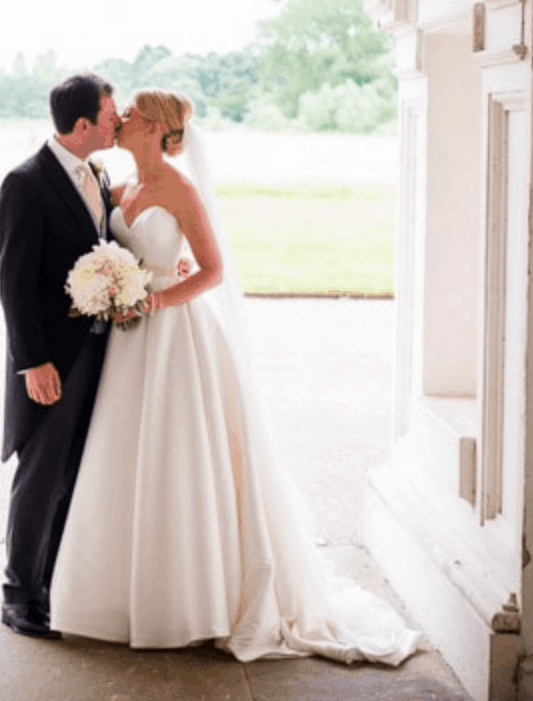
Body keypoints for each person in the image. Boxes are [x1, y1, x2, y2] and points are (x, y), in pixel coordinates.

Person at [49, 89, 423, 665]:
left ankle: (192, 600)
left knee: (179, 456)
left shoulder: (179, 189)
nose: (120, 119)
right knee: (128, 454)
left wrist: (156, 300)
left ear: (155, 128)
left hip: (173, 337)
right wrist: (112, 285)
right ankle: (122, 597)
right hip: (128, 345)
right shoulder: (117, 186)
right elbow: (111, 247)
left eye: (132, 115)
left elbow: (214, 270)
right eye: (119, 114)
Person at [0, 73, 120, 637]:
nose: (118, 123)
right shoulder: (25, 183)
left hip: (98, 351)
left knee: (75, 472)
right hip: (51, 360)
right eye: (111, 115)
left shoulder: (99, 174)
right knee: (41, 475)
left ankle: (52, 585)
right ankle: (19, 596)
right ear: (84, 124)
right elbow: (14, 283)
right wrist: (33, 363)